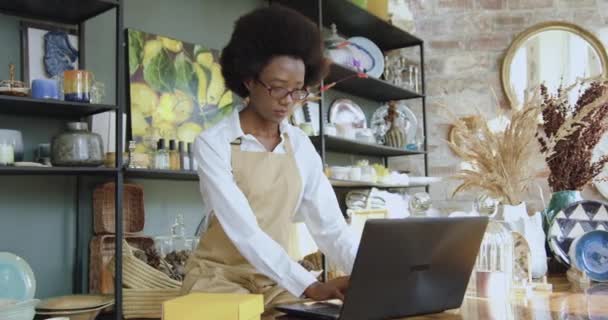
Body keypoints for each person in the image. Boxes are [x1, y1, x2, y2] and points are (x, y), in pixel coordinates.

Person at [181, 4, 359, 314]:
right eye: (277, 88)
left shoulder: (300, 145)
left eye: (298, 91)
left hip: (275, 281)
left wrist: (370, 274)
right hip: (218, 280)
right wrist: (311, 285)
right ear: (249, 80)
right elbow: (244, 231)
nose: (288, 101)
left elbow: (331, 227)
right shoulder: (213, 144)